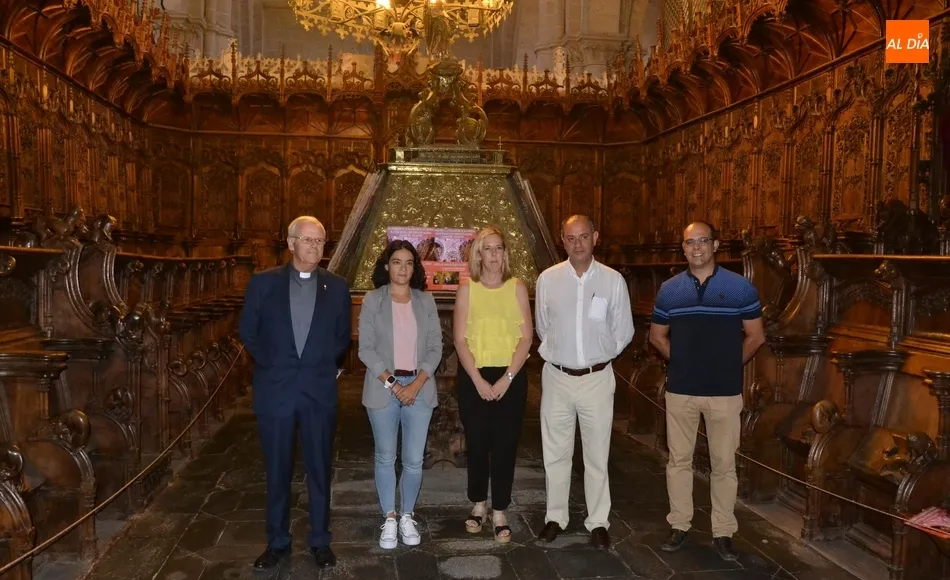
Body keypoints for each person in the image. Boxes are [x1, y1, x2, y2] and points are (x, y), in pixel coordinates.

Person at [239, 215, 351, 570]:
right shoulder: (263, 284)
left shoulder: (337, 286)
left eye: (320, 241)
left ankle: (320, 541)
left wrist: (317, 365)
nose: (315, 247)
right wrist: (276, 364)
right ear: (290, 243)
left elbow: (341, 336)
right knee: (277, 469)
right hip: (277, 390)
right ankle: (277, 542)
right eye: (308, 240)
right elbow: (249, 332)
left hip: (317, 391)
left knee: (319, 468)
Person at [649, 220, 765, 561]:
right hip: (682, 388)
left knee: (724, 464)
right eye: (689, 242)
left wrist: (730, 365)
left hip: (724, 391)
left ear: (715, 245)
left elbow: (756, 336)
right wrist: (681, 361)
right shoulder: (670, 289)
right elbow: (657, 336)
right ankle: (680, 524)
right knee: (679, 460)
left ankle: (723, 531)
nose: (696, 247)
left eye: (703, 241)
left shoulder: (740, 288)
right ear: (682, 248)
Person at [535, 215, 634, 550]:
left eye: (583, 237)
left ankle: (598, 521)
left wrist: (600, 355)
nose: (577, 244)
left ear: (596, 237)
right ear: (562, 241)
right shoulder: (548, 279)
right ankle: (555, 517)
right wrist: (565, 354)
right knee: (556, 454)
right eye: (570, 238)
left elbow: (624, 330)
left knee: (596, 454)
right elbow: (542, 327)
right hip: (558, 378)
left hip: (596, 378)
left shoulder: (612, 281)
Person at [358, 240, 443, 549]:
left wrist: (416, 384)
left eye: (409, 263)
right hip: (383, 389)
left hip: (419, 389)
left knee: (413, 460)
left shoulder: (426, 301)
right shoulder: (373, 300)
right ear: (386, 266)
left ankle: (407, 515)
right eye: (397, 262)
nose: (403, 268)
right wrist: (394, 384)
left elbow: (435, 347)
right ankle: (390, 517)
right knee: (384, 456)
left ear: (415, 268)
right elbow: (365, 348)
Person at [453, 226, 533, 543]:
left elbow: (526, 337)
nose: (495, 254)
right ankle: (478, 504)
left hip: (511, 376)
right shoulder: (466, 290)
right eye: (488, 249)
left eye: (499, 248)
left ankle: (499, 509)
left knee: (504, 446)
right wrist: (477, 380)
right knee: (477, 445)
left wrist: (506, 379)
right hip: (474, 374)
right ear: (478, 254)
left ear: (505, 253)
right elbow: (459, 339)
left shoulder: (517, 288)